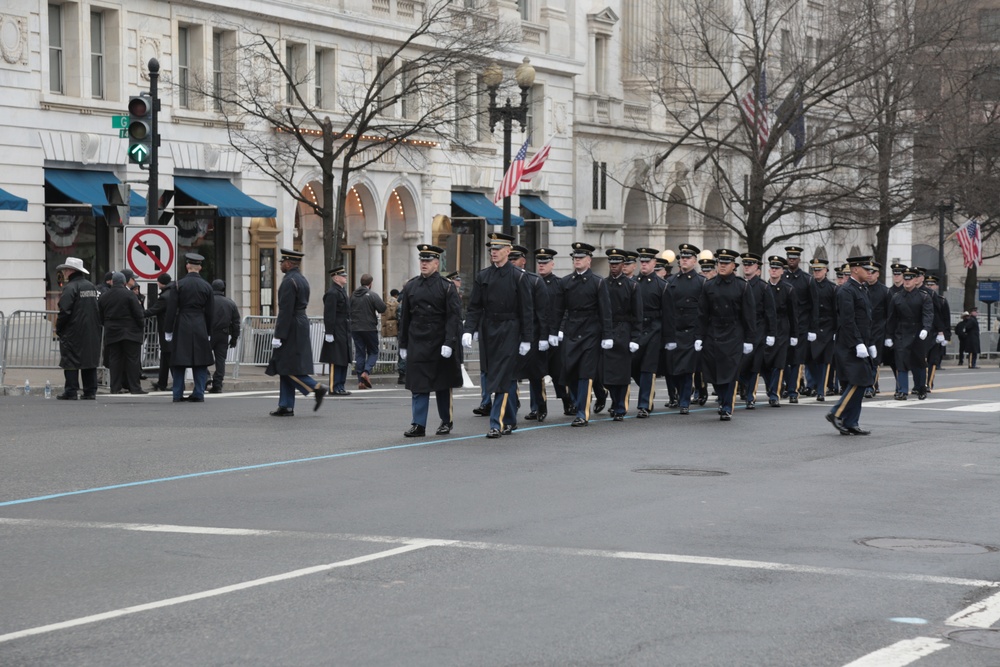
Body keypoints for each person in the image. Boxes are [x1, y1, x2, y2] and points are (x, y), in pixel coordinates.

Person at [462, 232, 534, 438]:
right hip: (489, 330)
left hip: (510, 329)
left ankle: (496, 423)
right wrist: (469, 330)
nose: (493, 252)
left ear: (508, 251)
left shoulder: (519, 276)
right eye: (491, 249)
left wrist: (527, 338)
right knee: (505, 378)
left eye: (498, 249)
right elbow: (475, 306)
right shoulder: (483, 276)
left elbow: (527, 310)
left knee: (501, 378)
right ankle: (510, 419)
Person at [398, 245, 464, 436]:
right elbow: (405, 319)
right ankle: (419, 424)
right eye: (422, 261)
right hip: (417, 341)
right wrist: (403, 344)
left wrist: (450, 342)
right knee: (418, 385)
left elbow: (453, 317)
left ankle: (446, 420)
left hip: (439, 341)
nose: (424, 264)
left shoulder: (446, 286)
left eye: (428, 261)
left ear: (437, 263)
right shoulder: (411, 286)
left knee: (442, 384)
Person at [555, 241, 613, 427]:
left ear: (589, 260)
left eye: (580, 258)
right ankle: (587, 400)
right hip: (572, 330)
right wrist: (556, 331)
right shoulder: (566, 282)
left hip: (591, 331)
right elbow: (559, 310)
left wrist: (607, 335)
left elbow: (605, 311)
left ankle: (582, 412)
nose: (577, 260)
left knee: (585, 374)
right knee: (570, 371)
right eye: (575, 258)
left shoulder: (598, 282)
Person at [697, 249, 756, 421]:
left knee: (729, 372)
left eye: (726, 264)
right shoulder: (709, 285)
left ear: (733, 265)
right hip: (713, 332)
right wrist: (699, 337)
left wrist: (749, 340)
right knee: (714, 371)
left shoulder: (742, 286)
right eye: (720, 263)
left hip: (733, 332)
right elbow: (702, 313)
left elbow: (749, 315)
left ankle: (727, 406)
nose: (722, 266)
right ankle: (722, 400)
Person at [266, 248, 326, 415]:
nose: (280, 265)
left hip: (291, 324)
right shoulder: (301, 279)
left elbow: (285, 310)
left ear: (288, 263)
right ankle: (286, 405)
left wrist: (279, 335)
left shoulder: (288, 281)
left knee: (285, 365)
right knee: (286, 365)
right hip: (300, 322)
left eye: (281, 262)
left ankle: (316, 387)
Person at [826, 256, 877, 436]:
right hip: (849, 343)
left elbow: (866, 320)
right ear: (855, 269)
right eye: (866, 269)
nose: (870, 272)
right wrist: (858, 343)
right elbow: (848, 321)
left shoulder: (862, 289)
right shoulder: (846, 291)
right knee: (859, 380)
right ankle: (836, 413)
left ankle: (851, 422)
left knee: (860, 382)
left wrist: (869, 343)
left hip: (860, 342)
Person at [164, 253, 215, 403]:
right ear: (200, 267)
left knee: (179, 360)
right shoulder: (207, 286)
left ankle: (177, 393)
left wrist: (168, 330)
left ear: (187, 266)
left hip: (183, 323)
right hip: (200, 323)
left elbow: (171, 310)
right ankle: (199, 392)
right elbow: (211, 312)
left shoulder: (178, 284)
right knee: (200, 361)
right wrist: (209, 331)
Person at [509, 245, 551, 422]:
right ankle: (514, 404)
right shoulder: (506, 279)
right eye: (510, 259)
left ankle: (539, 406)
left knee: (535, 373)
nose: (512, 262)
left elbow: (542, 312)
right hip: (512, 333)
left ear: (523, 261)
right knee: (512, 373)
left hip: (532, 334)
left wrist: (543, 337)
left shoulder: (534, 280)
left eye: (515, 259)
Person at [663, 243, 705, 415]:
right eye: (682, 258)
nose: (684, 261)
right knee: (674, 369)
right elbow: (666, 309)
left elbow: (703, 311)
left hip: (691, 331)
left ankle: (685, 401)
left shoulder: (701, 282)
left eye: (688, 258)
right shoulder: (671, 281)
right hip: (674, 330)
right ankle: (680, 395)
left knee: (686, 369)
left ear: (695, 261)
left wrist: (700, 335)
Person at [54, 257, 102, 400]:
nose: (64, 272)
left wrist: (59, 327)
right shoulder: (91, 286)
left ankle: (71, 390)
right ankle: (90, 391)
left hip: (73, 330)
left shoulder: (70, 287)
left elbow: (65, 310)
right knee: (89, 360)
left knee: (70, 361)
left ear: (71, 271)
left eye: (66, 269)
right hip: (91, 330)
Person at [604, 248, 642, 421]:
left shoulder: (632, 285)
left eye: (617, 263)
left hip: (625, 330)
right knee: (608, 373)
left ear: (623, 265)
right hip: (607, 329)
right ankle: (614, 401)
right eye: (611, 263)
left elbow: (637, 314)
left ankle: (620, 406)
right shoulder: (603, 284)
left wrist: (635, 338)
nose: (613, 267)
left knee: (622, 372)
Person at [885, 267, 934, 400]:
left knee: (918, 363)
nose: (907, 281)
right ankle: (903, 390)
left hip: (918, 334)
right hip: (901, 333)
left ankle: (920, 387)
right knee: (901, 362)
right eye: (905, 278)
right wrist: (889, 336)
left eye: (910, 278)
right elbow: (891, 318)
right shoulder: (896, 297)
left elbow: (928, 314)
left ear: (916, 279)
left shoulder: (924, 297)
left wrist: (926, 328)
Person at [534, 248, 570, 417]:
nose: (541, 266)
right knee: (535, 373)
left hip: (554, 333)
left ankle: (567, 402)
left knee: (558, 372)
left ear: (552, 264)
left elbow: (565, 310)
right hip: (537, 333)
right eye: (539, 263)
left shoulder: (559, 284)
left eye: (545, 263)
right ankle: (540, 407)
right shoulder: (532, 281)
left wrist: (560, 330)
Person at [737, 252, 776, 409]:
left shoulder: (763, 287)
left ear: (757, 268)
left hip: (759, 330)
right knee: (740, 364)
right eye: (745, 264)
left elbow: (770, 312)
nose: (747, 267)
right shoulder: (739, 284)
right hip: (741, 330)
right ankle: (742, 388)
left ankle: (750, 396)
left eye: (750, 264)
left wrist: (771, 333)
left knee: (754, 366)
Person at [99, 272, 148, 395]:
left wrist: (107, 324)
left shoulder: (104, 296)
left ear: (113, 282)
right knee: (132, 360)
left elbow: (100, 315)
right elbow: (138, 313)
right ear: (124, 282)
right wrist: (142, 326)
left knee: (115, 360)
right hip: (130, 332)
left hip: (112, 332)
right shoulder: (130, 295)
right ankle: (135, 387)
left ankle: (115, 387)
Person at [761, 256, 799, 407]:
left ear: (782, 271)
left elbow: (793, 314)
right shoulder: (764, 287)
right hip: (766, 329)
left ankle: (774, 395)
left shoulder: (788, 289)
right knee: (764, 363)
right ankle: (772, 387)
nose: (774, 271)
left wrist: (794, 335)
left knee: (778, 363)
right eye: (772, 268)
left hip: (783, 329)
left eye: (777, 268)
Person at [632, 247, 665, 418]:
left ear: (654, 263)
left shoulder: (661, 285)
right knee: (633, 365)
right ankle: (648, 391)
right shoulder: (633, 282)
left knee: (647, 368)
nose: (643, 264)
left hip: (654, 329)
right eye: (642, 261)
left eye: (647, 262)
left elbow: (667, 313)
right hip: (636, 330)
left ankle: (644, 404)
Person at [783, 246, 812, 403]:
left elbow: (812, 305)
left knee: (796, 360)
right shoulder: (782, 278)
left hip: (800, 326)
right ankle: (788, 386)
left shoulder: (807, 279)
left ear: (799, 259)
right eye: (789, 257)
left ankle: (793, 390)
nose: (791, 260)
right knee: (784, 359)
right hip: (784, 326)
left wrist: (811, 328)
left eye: (794, 257)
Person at [806, 258, 837, 401]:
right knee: (811, 360)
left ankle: (820, 390)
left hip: (828, 328)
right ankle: (812, 385)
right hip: (812, 327)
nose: (816, 272)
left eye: (819, 270)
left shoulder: (832, 288)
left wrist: (836, 330)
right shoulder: (809, 285)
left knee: (824, 361)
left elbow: (836, 311)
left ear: (825, 270)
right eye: (814, 270)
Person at [350, 273, 387, 389]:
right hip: (369, 327)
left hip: (355, 328)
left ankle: (360, 381)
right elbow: (382, 308)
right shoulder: (372, 295)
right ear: (370, 284)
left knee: (360, 353)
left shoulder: (352, 295)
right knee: (373, 351)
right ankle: (366, 372)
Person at [320, 265, 353, 395]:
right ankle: (334, 387)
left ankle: (341, 386)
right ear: (335, 278)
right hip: (336, 329)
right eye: (342, 276)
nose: (345, 277)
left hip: (344, 329)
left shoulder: (341, 291)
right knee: (335, 359)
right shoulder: (332, 293)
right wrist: (329, 332)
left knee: (343, 358)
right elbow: (329, 314)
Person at [208, 279, 241, 393]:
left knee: (202, 358)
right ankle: (217, 384)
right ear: (223, 289)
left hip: (208, 333)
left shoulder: (207, 302)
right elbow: (236, 322)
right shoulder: (230, 303)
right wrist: (234, 338)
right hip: (223, 334)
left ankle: (205, 379)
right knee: (220, 360)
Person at [144, 273, 174, 391]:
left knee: (169, 357)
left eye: (158, 281)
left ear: (162, 283)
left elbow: (153, 310)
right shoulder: (173, 292)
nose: (157, 283)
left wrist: (137, 313)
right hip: (172, 329)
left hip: (166, 330)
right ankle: (162, 383)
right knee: (166, 357)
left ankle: (175, 383)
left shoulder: (165, 297)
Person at [923, 275, 950, 390]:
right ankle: (921, 383)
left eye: (932, 285)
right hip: (924, 333)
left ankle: (929, 383)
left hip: (936, 334)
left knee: (933, 360)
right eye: (927, 285)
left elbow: (946, 319)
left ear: (936, 286)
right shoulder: (922, 298)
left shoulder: (942, 301)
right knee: (923, 360)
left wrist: (946, 336)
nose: (929, 287)